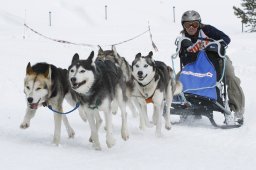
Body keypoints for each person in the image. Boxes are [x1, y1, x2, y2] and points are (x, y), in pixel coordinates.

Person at [178, 10, 245, 125]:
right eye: (187, 25)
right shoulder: (183, 38)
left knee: (230, 77)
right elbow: (184, 56)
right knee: (179, 78)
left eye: (194, 24)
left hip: (217, 58)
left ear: (199, 24)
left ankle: (238, 110)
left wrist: (216, 44)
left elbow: (225, 38)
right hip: (197, 62)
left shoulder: (206, 30)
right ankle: (187, 106)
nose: (191, 27)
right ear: (183, 26)